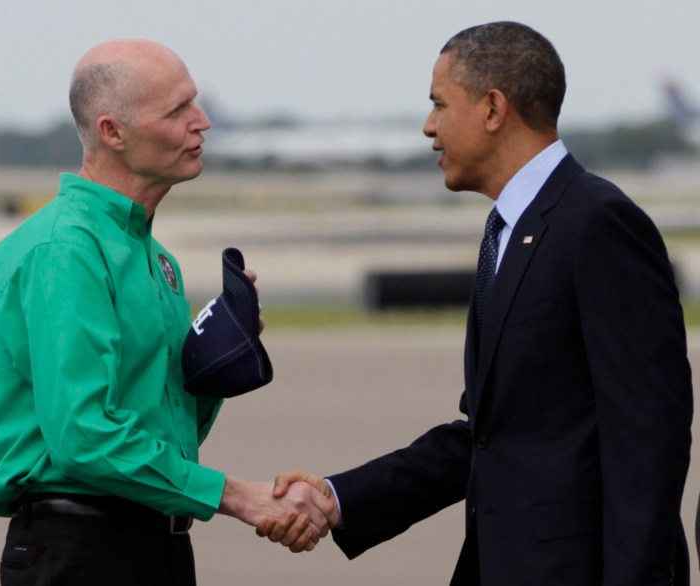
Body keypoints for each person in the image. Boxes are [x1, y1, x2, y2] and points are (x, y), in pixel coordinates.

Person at [257, 21, 694, 585]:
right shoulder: (508, 233)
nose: (428, 127)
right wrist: (339, 498)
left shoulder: (598, 223)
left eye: (440, 104)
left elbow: (648, 435)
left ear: (493, 108)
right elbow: (489, 435)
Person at [0, 39, 335, 586]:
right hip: (79, 549)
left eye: (196, 102)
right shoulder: (64, 249)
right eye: (177, 110)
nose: (203, 122)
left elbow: (165, 433)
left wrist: (217, 366)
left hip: (154, 542)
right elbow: (85, 438)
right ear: (112, 132)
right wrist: (239, 497)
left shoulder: (156, 259)